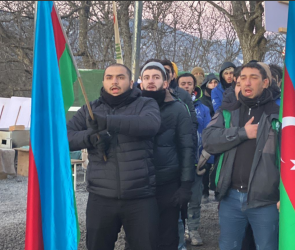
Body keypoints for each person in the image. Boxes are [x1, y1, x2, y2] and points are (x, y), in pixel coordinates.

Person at [67, 63, 160, 250]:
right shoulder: (90, 109)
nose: (114, 82)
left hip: (140, 195)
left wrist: (108, 122)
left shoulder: (145, 104)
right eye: (109, 77)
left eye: (120, 77)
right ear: (103, 81)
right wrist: (90, 138)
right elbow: (64, 137)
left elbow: (150, 124)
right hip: (101, 196)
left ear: (131, 82)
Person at [203, 62, 280, 250]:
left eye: (253, 78)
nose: (247, 82)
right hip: (231, 198)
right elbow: (208, 140)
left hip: (267, 200)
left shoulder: (279, 113)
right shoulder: (227, 111)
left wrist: (284, 196)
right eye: (243, 78)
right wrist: (242, 133)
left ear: (265, 82)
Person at [140, 62, 195, 250]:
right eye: (146, 77)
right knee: (139, 238)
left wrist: (186, 185)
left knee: (168, 238)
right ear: (141, 83)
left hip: (168, 184)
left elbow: (187, 147)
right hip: (138, 184)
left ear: (165, 82)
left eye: (156, 77)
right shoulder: (132, 107)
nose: (151, 81)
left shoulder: (178, 109)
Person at [177, 73, 213, 246]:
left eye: (189, 83)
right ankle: (178, 232)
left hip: (196, 162)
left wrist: (207, 159)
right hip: (175, 163)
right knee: (176, 200)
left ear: (194, 86)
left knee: (195, 199)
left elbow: (208, 135)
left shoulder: (203, 109)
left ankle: (193, 229)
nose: (185, 86)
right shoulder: (172, 104)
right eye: (182, 83)